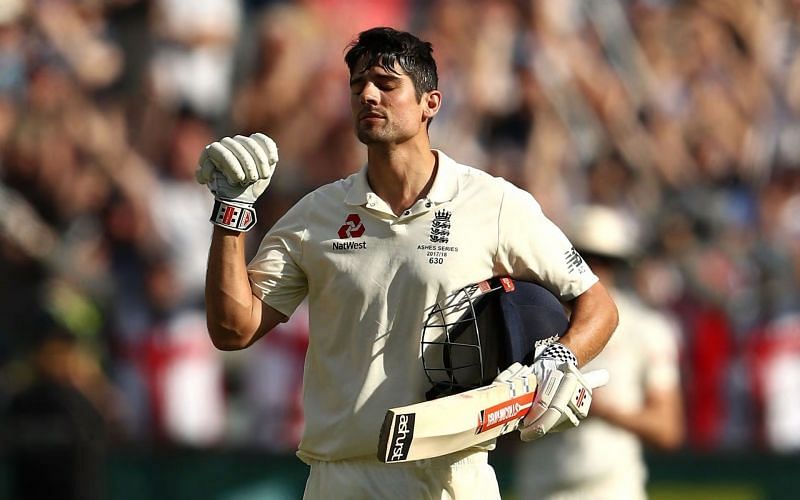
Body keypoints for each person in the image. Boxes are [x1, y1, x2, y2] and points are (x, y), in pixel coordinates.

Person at [196, 27, 619, 499]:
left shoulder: (493, 202)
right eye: (357, 86)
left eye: (385, 83)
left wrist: (559, 358)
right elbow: (232, 330)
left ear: (430, 103)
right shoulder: (316, 214)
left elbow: (597, 305)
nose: (368, 95)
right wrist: (231, 215)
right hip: (340, 475)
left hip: (451, 475)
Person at [514, 205, 685, 500]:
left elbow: (667, 430)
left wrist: (597, 407)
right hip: (541, 488)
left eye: (604, 261)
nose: (593, 269)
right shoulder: (532, 322)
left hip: (612, 489)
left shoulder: (646, 328)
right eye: (584, 258)